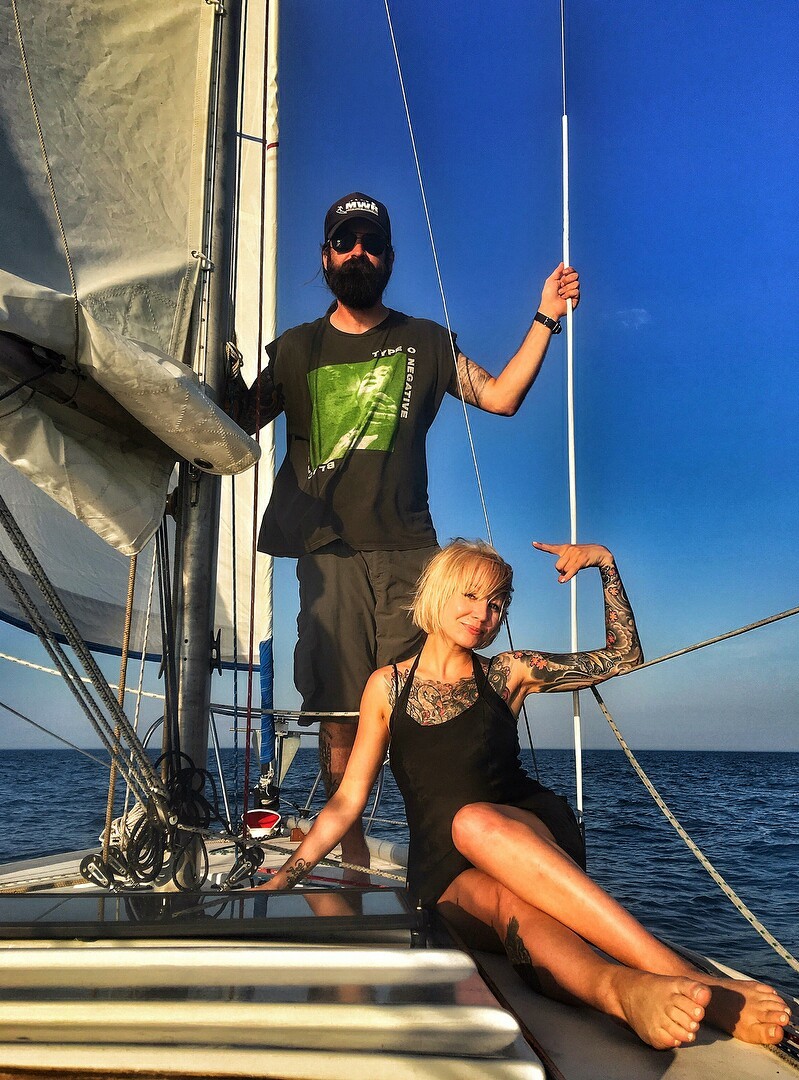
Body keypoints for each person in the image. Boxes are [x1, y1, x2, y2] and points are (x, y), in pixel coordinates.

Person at [258, 539, 791, 1051]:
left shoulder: (509, 673)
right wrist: (286, 878)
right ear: (438, 592)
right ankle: (621, 991)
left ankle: (680, 976)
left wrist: (605, 563)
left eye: (496, 604)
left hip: (525, 829)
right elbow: (348, 799)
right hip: (445, 870)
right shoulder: (387, 686)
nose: (483, 614)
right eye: (470, 595)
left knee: (473, 821)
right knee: (503, 903)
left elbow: (624, 656)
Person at [228, 190, 580, 876]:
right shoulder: (295, 350)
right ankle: (352, 859)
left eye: (370, 243)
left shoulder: (424, 341)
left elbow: (501, 397)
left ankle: (453, 853)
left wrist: (545, 315)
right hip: (326, 554)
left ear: (388, 258)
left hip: (412, 555)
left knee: (429, 703)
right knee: (339, 715)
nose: (356, 253)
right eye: (344, 242)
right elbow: (234, 421)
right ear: (325, 257)